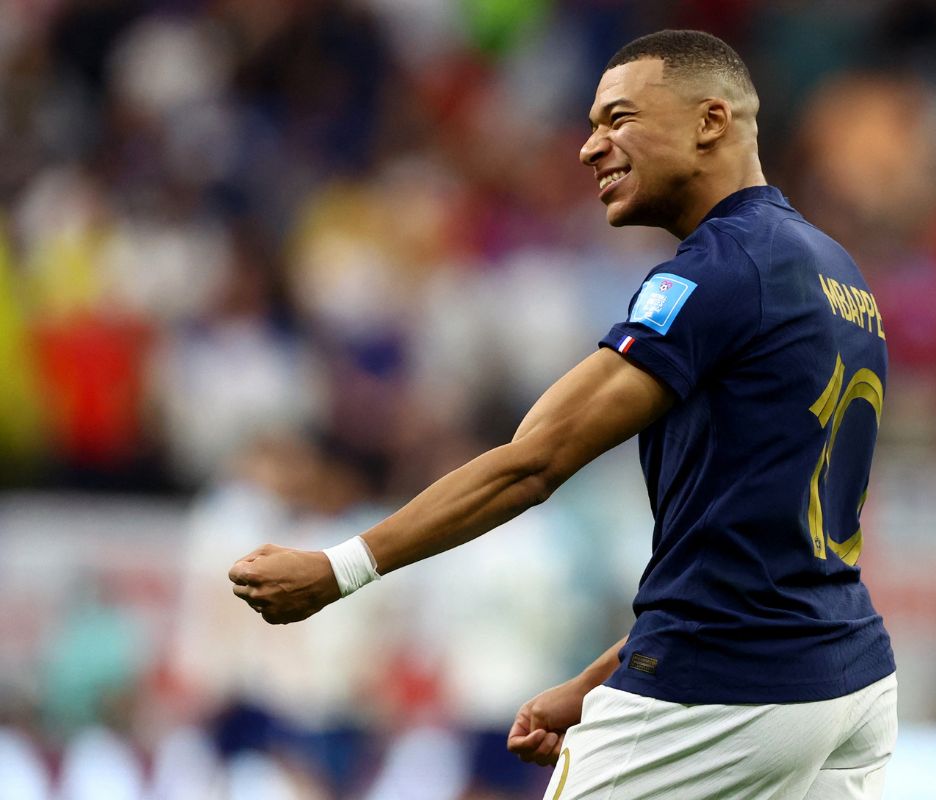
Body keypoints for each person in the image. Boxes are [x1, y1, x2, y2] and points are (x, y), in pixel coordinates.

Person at [229, 29, 897, 799]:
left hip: (722, 689)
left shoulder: (721, 270)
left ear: (711, 121)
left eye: (617, 119)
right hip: (848, 684)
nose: (590, 148)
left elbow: (534, 461)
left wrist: (335, 569)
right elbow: (753, 543)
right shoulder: (836, 272)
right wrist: (593, 681)